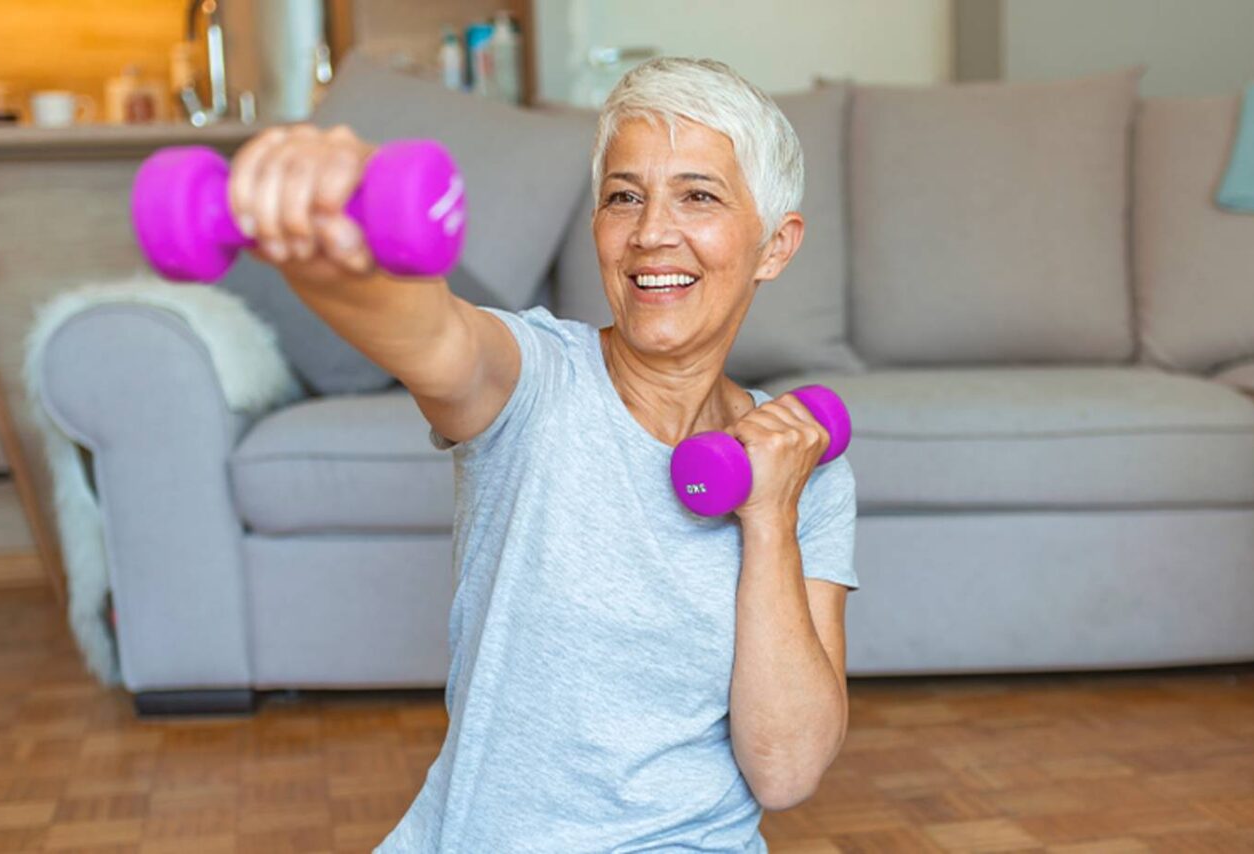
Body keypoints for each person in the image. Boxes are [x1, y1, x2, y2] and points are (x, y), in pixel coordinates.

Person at [227, 56, 857, 851]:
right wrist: (326, 228)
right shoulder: (534, 379)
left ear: (774, 244)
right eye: (624, 196)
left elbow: (788, 770)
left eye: (698, 195)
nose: (651, 232)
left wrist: (770, 518)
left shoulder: (800, 458)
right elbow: (431, 332)